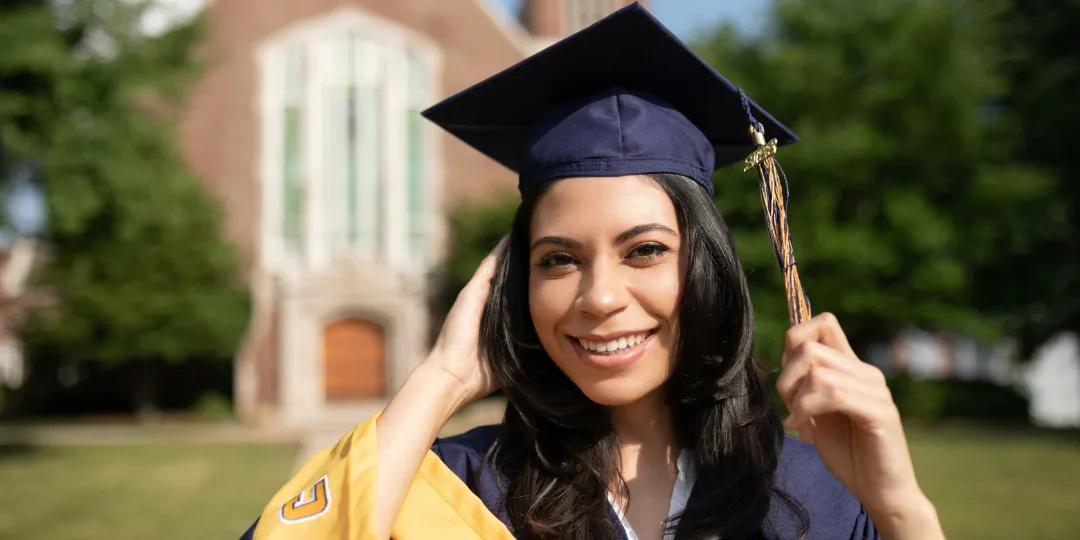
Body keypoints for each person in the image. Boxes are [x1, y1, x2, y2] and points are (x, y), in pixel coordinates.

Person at [240, 4, 944, 540]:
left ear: (706, 266)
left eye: (645, 250)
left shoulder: (810, 492)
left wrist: (900, 508)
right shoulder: (461, 485)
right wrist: (442, 378)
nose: (600, 297)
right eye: (558, 260)